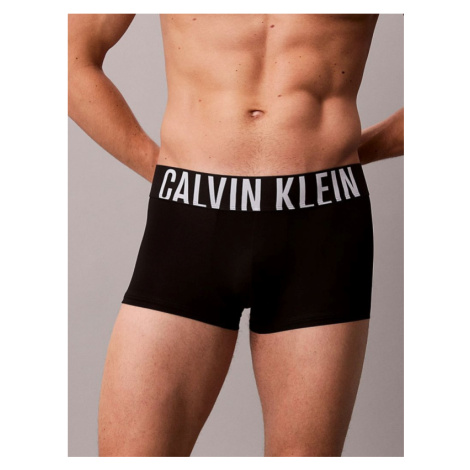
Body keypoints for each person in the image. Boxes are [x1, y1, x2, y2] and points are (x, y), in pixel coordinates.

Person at [68, 13, 403, 457]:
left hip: (322, 227)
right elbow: (67, 57)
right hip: (190, 220)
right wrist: (160, 168)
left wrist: (349, 154)